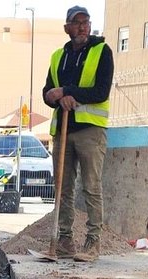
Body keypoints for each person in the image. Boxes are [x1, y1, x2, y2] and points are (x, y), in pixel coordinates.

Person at [42, 5, 113, 262]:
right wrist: (53, 97)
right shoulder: (57, 57)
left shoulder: (101, 52)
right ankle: (64, 241)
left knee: (91, 187)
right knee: (63, 188)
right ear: (67, 28)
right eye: (77, 22)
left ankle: (93, 242)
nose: (83, 26)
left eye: (86, 21)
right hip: (63, 130)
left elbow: (101, 91)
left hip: (90, 131)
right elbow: (48, 90)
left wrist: (69, 92)